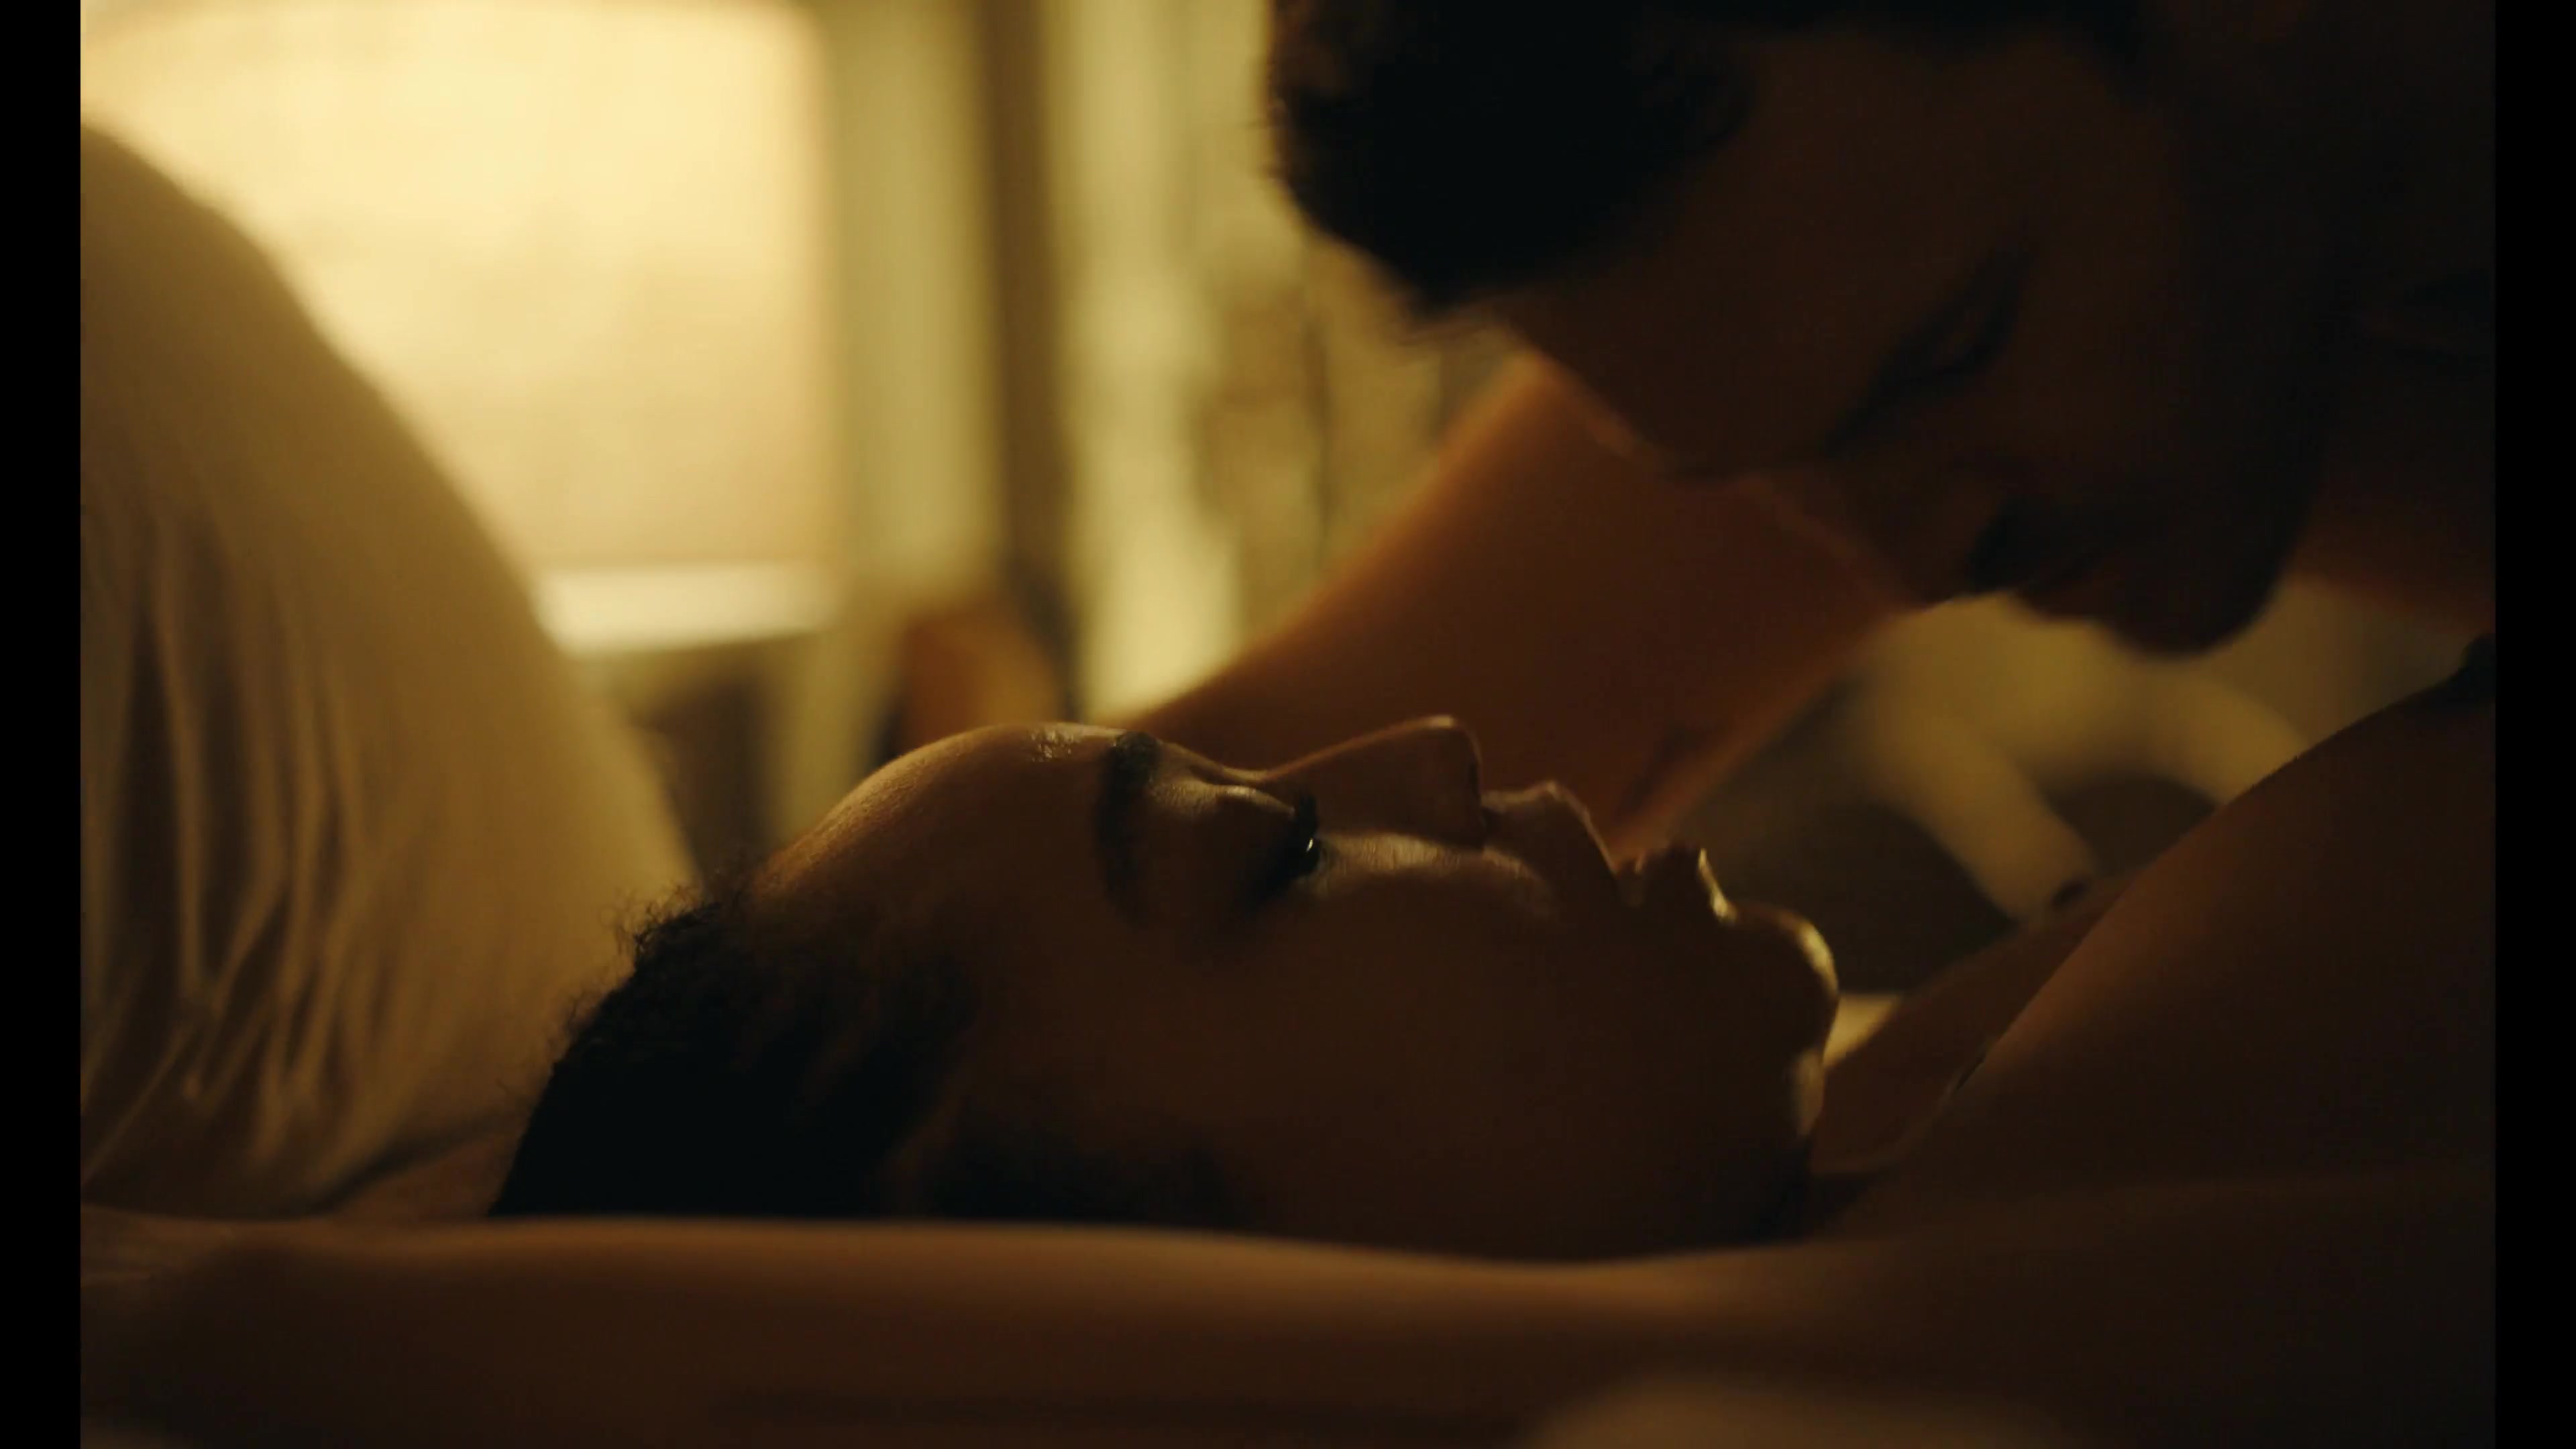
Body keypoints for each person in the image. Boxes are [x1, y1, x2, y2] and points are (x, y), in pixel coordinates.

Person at [1139, 0, 2491, 862]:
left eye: (1957, 352)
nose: (1917, 570)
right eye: (1764, 474)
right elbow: (1237, 795)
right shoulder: (1860, 284)